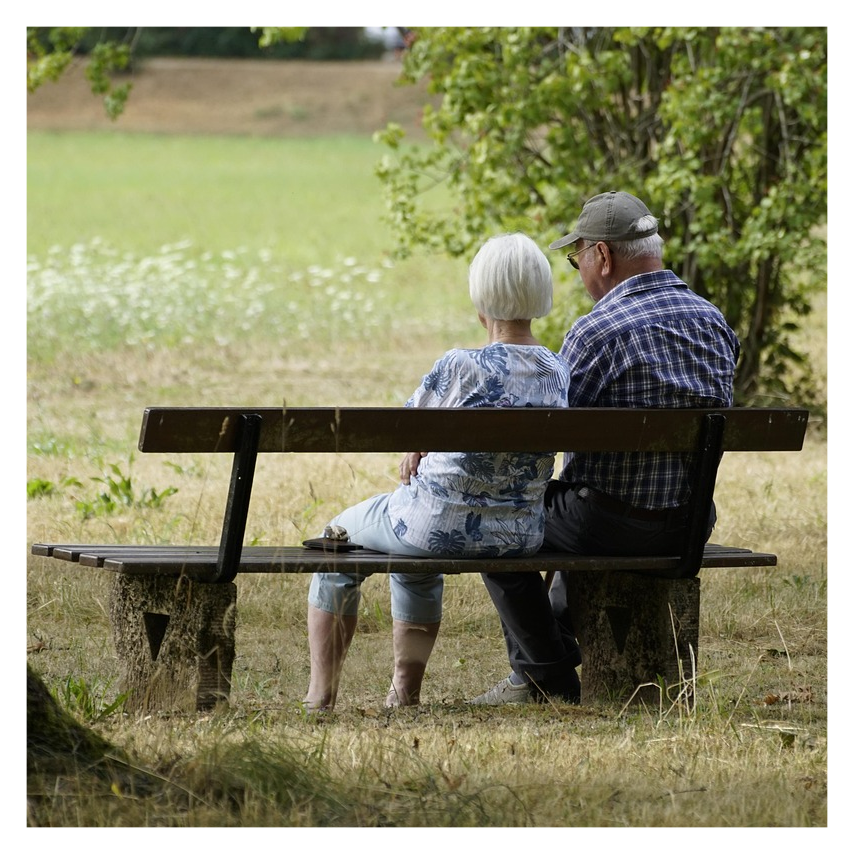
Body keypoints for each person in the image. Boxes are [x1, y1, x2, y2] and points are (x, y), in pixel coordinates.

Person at [470, 191, 741, 705]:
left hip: (609, 525)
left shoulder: (597, 331)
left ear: (603, 255)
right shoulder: (714, 322)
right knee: (578, 500)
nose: (580, 273)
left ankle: (545, 674)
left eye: (578, 261)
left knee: (494, 518)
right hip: (690, 524)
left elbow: (547, 433)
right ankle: (551, 651)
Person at [303, 232, 571, 712]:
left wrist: (416, 447)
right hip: (517, 535)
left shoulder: (460, 366)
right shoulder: (557, 370)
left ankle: (320, 696)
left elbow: (406, 427)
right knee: (414, 556)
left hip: (434, 527)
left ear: (481, 299)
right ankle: (403, 693)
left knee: (335, 541)